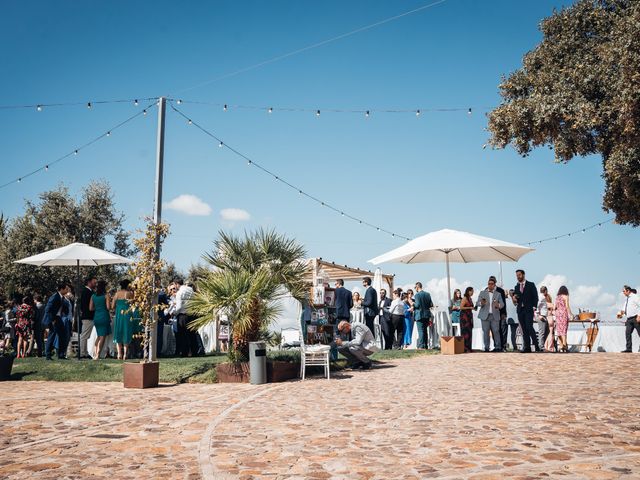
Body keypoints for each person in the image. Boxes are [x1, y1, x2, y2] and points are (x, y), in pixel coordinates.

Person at [510, 270, 539, 353]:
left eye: (519, 275)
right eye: (517, 275)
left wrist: (534, 307)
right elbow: (515, 301)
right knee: (524, 329)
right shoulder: (516, 287)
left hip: (529, 309)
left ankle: (536, 346)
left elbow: (535, 297)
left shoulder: (531, 284)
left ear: (523, 275)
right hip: (520, 310)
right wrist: (513, 297)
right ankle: (527, 347)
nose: (518, 277)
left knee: (529, 327)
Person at [43, 283, 71, 360]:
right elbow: (48, 309)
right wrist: (52, 320)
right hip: (52, 319)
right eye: (66, 289)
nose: (67, 290)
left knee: (63, 335)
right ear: (61, 289)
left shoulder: (62, 297)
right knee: (52, 336)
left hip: (58, 318)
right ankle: (48, 355)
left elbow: (64, 308)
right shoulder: (54, 297)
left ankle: (61, 354)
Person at [477, 278, 504, 352]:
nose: (490, 285)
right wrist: (481, 303)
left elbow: (502, 304)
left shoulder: (498, 294)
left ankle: (498, 347)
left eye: (492, 284)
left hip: (494, 316)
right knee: (485, 332)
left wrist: (498, 305)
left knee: (496, 331)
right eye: (489, 284)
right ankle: (486, 347)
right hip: (485, 316)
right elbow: (477, 303)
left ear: (494, 285)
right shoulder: (482, 293)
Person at [112, 279, 136, 360]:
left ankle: (119, 354)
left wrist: (118, 306)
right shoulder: (129, 293)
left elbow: (112, 306)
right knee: (126, 331)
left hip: (119, 314)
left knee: (118, 332)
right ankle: (125, 354)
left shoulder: (117, 294)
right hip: (126, 314)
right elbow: (133, 303)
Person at [90, 280, 112, 360]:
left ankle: (96, 353)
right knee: (102, 336)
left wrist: (98, 308)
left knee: (99, 336)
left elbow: (90, 308)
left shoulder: (93, 296)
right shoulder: (106, 295)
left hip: (96, 317)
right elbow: (108, 307)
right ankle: (97, 355)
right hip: (104, 316)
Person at [174, 278, 195, 357]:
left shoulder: (179, 292)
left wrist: (174, 313)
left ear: (176, 284)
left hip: (183, 315)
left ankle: (184, 352)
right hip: (191, 314)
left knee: (183, 334)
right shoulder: (190, 290)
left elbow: (179, 307)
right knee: (191, 334)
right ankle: (194, 351)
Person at [488, 276, 508, 349]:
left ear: (495, 282)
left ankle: (503, 346)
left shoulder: (500, 290)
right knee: (494, 330)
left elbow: (503, 303)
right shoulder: (486, 290)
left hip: (500, 313)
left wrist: (504, 313)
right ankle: (497, 346)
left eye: (492, 281)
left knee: (502, 330)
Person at [79, 277, 97, 358]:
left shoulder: (90, 291)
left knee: (86, 336)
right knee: (84, 335)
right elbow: (84, 306)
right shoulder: (86, 291)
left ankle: (85, 352)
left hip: (89, 316)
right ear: (89, 282)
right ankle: (82, 353)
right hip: (87, 316)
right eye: (94, 282)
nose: (95, 284)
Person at [619, 285, 640, 353]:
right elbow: (624, 308)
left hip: (636, 318)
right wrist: (620, 314)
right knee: (627, 333)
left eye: (624, 291)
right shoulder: (627, 299)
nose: (623, 293)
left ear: (628, 290)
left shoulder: (635, 297)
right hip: (629, 319)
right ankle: (629, 349)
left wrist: (639, 316)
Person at [412, 282, 433, 349]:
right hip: (426, 315)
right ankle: (425, 345)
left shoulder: (417, 295)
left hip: (419, 315)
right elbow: (431, 304)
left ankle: (421, 346)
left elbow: (417, 305)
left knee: (420, 330)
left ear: (417, 287)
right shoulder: (428, 294)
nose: (415, 289)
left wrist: (413, 304)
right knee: (425, 330)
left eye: (415, 288)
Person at [554, 286, 572, 353]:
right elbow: (567, 306)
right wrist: (571, 314)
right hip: (564, 314)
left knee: (559, 331)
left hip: (558, 314)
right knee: (564, 331)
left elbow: (554, 307)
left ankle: (561, 346)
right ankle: (564, 346)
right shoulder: (566, 296)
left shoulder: (557, 297)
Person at [537, 286, 553, 352]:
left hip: (544, 316)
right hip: (542, 316)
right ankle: (541, 347)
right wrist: (539, 315)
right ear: (545, 291)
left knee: (546, 332)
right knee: (542, 332)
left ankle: (543, 346)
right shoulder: (542, 297)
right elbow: (536, 305)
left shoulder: (541, 297)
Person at [460, 287, 475, 353]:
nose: (473, 292)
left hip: (469, 316)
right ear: (468, 291)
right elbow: (461, 307)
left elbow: (471, 307)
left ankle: (469, 347)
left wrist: (473, 308)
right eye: (472, 291)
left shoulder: (470, 299)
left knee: (469, 332)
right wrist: (469, 307)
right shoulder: (465, 298)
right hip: (464, 317)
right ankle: (465, 348)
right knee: (465, 332)